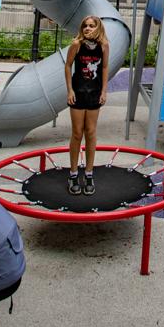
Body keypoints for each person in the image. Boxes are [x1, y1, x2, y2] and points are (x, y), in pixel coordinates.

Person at [62, 15, 110, 195]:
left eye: (91, 26)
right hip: (78, 92)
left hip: (94, 93)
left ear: (98, 28)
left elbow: (104, 68)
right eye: (85, 26)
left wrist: (104, 91)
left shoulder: (103, 46)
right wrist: (70, 90)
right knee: (77, 133)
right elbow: (67, 66)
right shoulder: (76, 45)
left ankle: (88, 173)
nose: (87, 29)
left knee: (90, 132)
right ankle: (73, 173)